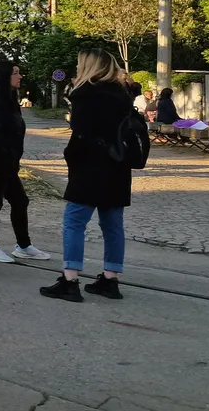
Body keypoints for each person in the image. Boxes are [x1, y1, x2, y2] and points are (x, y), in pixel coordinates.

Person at [40, 49, 135, 303]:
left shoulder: (84, 95)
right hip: (118, 165)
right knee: (113, 224)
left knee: (74, 222)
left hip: (90, 166)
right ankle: (110, 278)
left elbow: (81, 135)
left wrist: (71, 156)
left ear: (89, 67)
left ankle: (70, 280)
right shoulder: (123, 94)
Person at [0, 60, 51, 263]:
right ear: (4, 75)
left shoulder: (8, 97)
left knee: (19, 200)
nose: (20, 76)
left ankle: (23, 246)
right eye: (15, 73)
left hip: (7, 162)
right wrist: (1, 154)